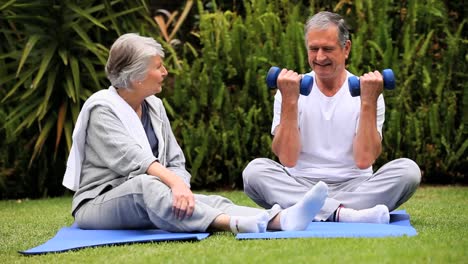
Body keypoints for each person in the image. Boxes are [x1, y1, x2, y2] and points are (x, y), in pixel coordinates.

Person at [62, 33, 329, 234]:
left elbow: (175, 161)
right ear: (136, 77)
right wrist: (175, 186)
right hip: (98, 204)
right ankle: (237, 224)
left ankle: (281, 219)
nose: (165, 72)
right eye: (158, 67)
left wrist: (183, 192)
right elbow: (134, 160)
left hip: (151, 193)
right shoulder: (101, 109)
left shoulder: (153, 106)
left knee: (209, 200)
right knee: (146, 186)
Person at [242, 11, 421, 224]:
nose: (319, 57)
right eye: (313, 49)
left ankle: (314, 211)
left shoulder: (368, 92)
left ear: (346, 49)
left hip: (355, 186)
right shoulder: (289, 90)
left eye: (327, 49)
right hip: (300, 184)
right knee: (254, 172)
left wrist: (367, 102)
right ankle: (345, 215)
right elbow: (287, 158)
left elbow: (364, 160)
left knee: (408, 171)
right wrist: (290, 100)